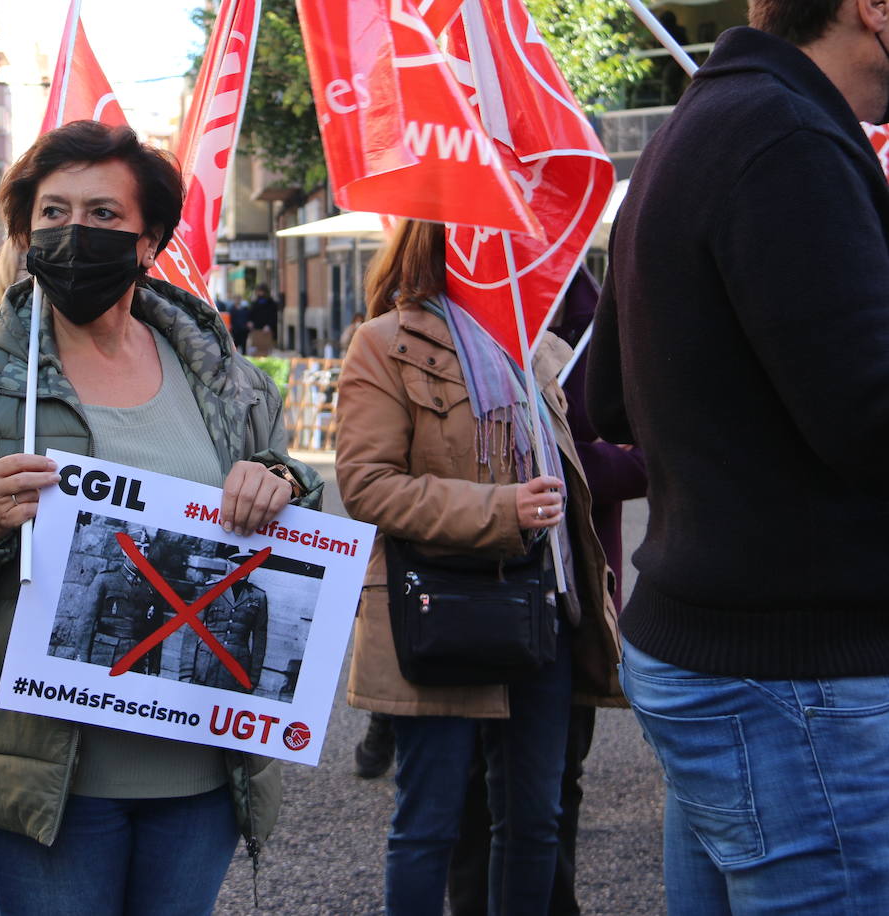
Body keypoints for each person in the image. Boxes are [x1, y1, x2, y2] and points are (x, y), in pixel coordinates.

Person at [0, 119, 323, 916]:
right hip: (41, 786)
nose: (76, 232)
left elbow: (292, 534)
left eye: (105, 215)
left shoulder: (232, 385)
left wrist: (281, 480)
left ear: (150, 242)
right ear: (25, 230)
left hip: (200, 782)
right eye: (54, 212)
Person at [586, 2, 889, 912]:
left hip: (729, 661)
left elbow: (604, 398)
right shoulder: (786, 138)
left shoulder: (710, 120)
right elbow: (870, 420)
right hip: (794, 680)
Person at [336, 219, 621, 915]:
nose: (519, 257)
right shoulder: (383, 343)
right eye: (495, 242)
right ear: (445, 247)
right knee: (427, 825)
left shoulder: (537, 349)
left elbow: (579, 466)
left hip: (540, 614)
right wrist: (502, 510)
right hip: (437, 613)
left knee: (534, 822)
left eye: (521, 244)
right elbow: (366, 486)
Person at [446, 270, 647, 916]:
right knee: (471, 788)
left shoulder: (605, 312)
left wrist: (548, 462)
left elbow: (648, 453)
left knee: (555, 783)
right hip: (465, 593)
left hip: (569, 594)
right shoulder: (444, 303)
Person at [187, 550, 269, 694]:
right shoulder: (211, 589)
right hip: (206, 664)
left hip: (237, 669)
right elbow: (192, 631)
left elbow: (259, 642)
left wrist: (253, 679)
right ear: (228, 563)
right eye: (238, 562)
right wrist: (186, 672)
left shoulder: (258, 597)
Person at [77, 541, 163, 675]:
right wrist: (81, 659)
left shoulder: (152, 588)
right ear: (124, 550)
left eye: (146, 550)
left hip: (136, 661)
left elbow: (156, 632)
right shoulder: (105, 580)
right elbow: (86, 623)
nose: (142, 554)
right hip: (104, 656)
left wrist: (153, 669)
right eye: (137, 548)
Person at [249, 284, 278, 355]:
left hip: (267, 330)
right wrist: (250, 322)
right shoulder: (255, 303)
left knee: (266, 349)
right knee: (256, 348)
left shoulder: (271, 303)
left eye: (261, 291)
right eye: (258, 291)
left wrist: (269, 325)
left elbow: (274, 316)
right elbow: (251, 314)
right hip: (257, 329)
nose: (259, 293)